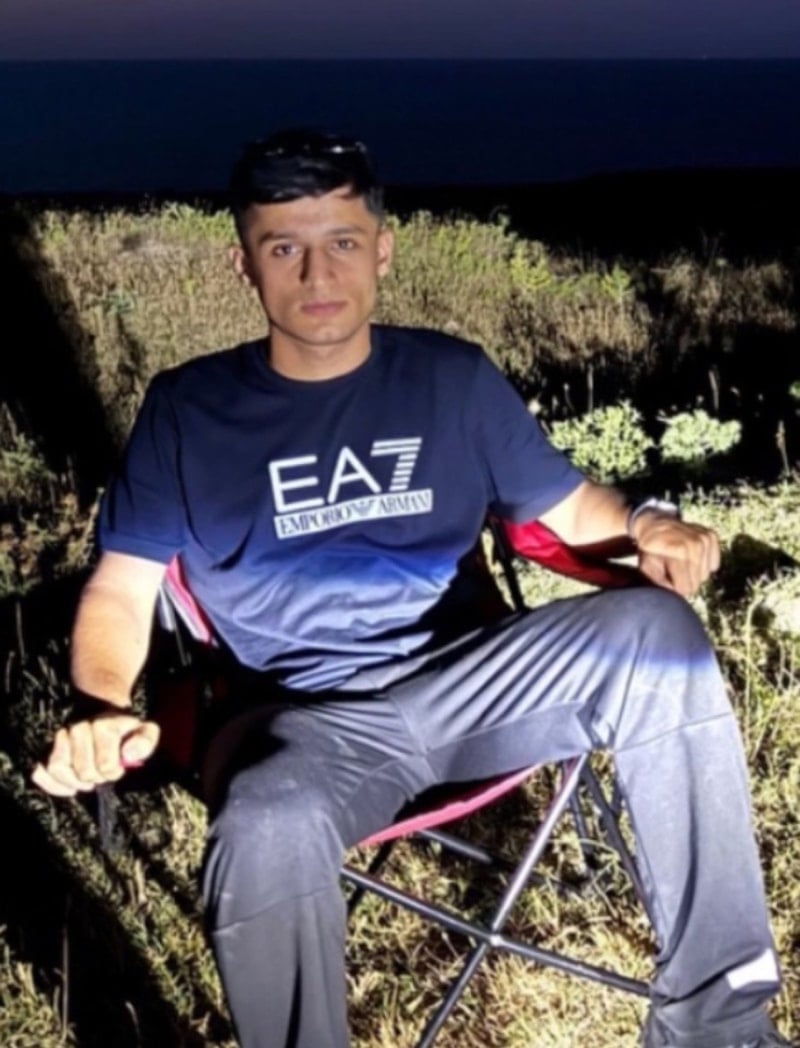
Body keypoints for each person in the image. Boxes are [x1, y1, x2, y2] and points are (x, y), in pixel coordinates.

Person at [33, 129, 790, 1048]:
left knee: (657, 635)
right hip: (297, 720)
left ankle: (721, 1025)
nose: (318, 273)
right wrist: (100, 703)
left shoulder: (450, 378)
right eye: (284, 247)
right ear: (245, 265)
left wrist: (644, 521)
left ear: (382, 251)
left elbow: (567, 505)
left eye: (343, 241)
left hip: (473, 678)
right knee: (266, 820)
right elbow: (121, 590)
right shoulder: (188, 411)